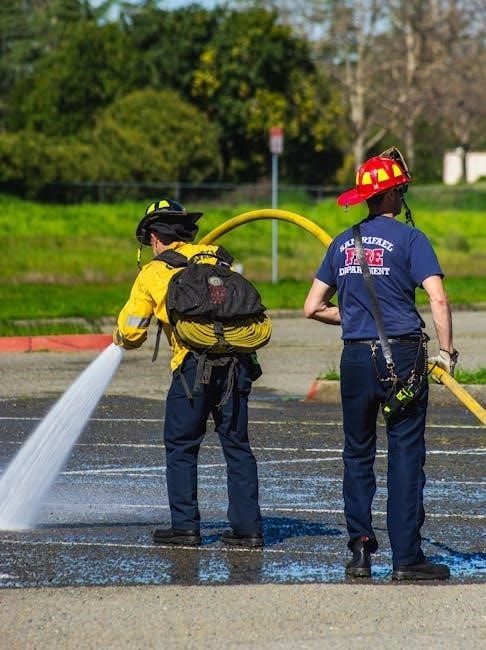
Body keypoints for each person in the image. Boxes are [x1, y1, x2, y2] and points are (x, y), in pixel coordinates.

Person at [304, 148, 457, 581]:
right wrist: (447, 352)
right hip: (402, 357)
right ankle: (406, 558)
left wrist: (356, 316)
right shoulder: (412, 239)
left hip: (354, 358)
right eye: (400, 191)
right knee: (405, 454)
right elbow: (437, 298)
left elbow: (312, 307)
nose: (402, 196)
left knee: (357, 453)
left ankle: (360, 552)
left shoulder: (342, 242)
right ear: (391, 196)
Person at [113, 199, 263, 548]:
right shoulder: (216, 257)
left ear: (153, 237)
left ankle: (185, 527)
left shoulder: (153, 272)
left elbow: (132, 331)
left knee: (181, 446)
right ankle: (248, 529)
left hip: (191, 368)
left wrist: (120, 337)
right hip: (236, 363)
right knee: (237, 446)